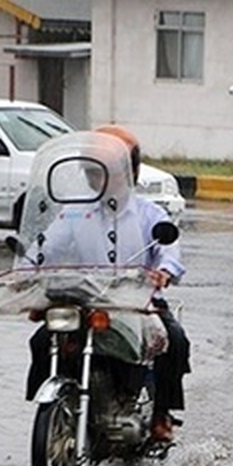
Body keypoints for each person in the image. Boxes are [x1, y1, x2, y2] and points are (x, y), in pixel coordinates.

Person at [25, 125, 190, 444]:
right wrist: (28, 267)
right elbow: (47, 246)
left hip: (137, 303)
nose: (95, 179)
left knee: (176, 340)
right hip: (87, 301)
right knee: (41, 340)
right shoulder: (74, 213)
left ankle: (161, 416)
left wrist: (164, 271)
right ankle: (53, 409)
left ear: (128, 173)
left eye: (103, 172)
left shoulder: (149, 214)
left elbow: (169, 252)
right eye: (90, 172)